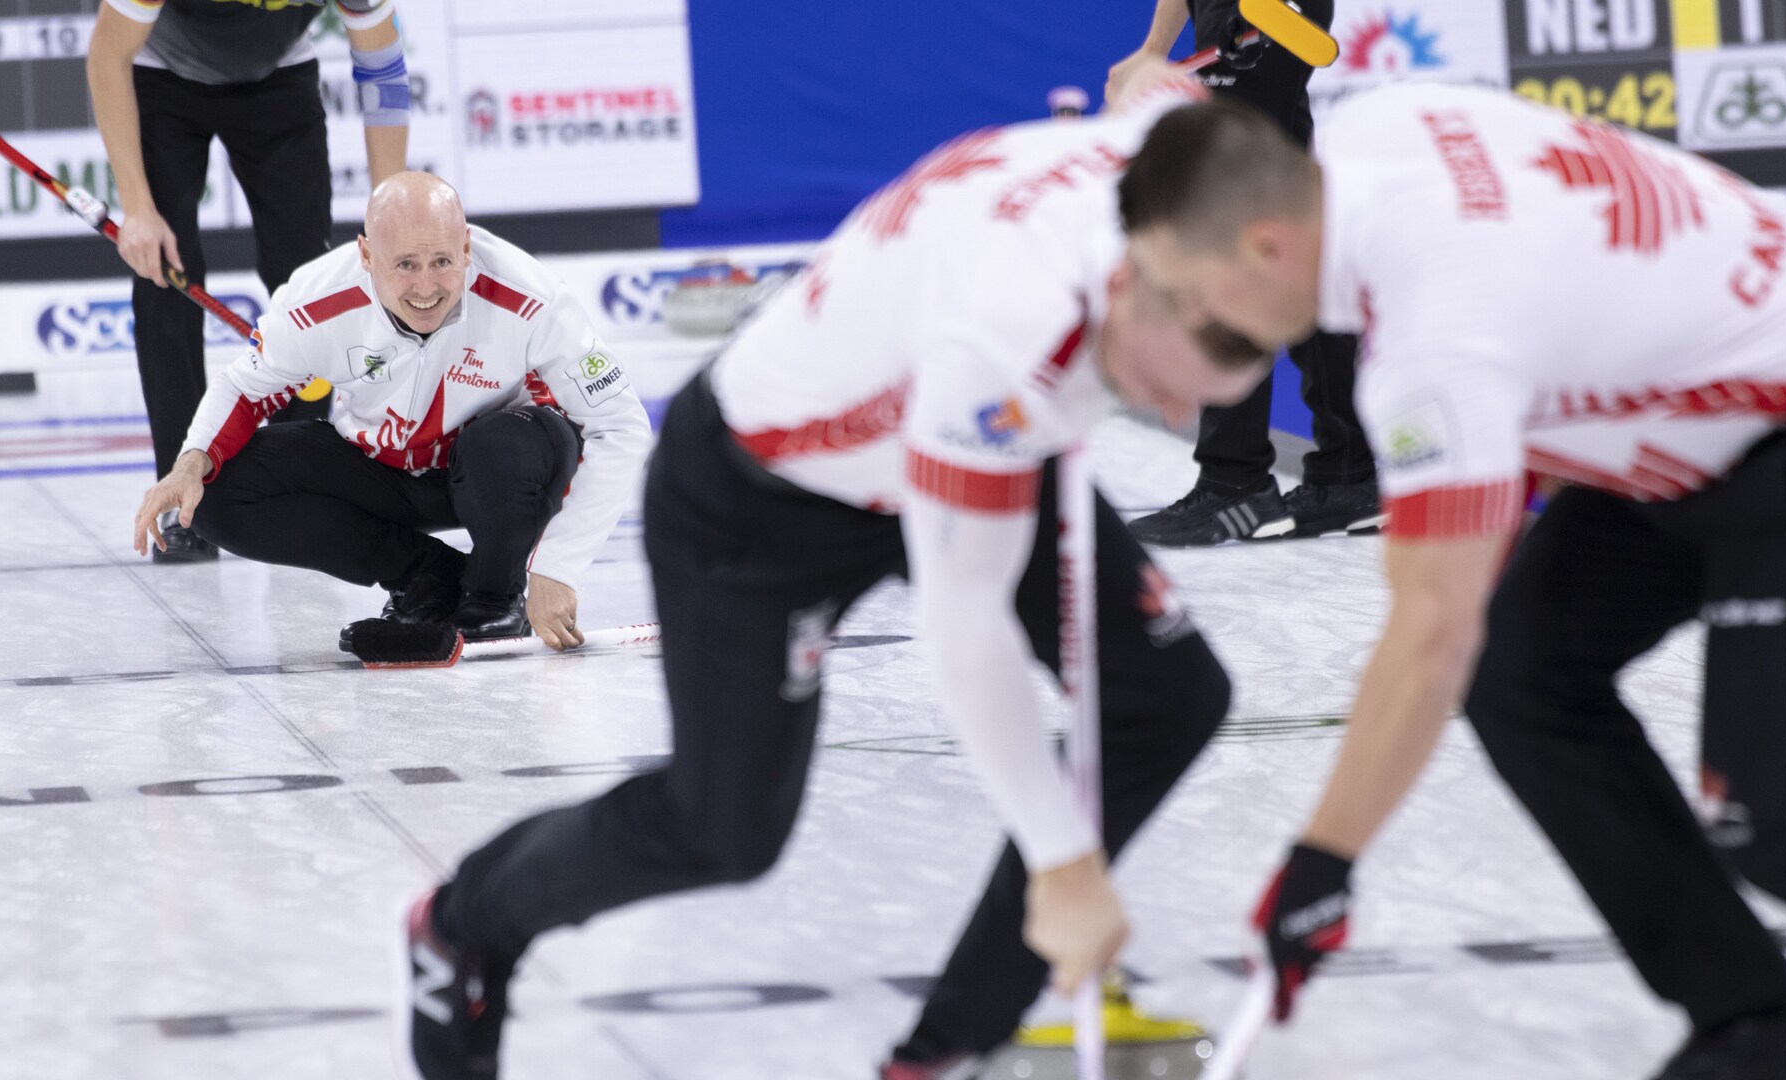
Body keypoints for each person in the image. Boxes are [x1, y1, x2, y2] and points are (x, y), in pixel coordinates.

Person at [396, 79, 1269, 1080]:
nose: (1162, 409)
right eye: (1170, 388)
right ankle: (461, 925)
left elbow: (1156, 105)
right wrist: (1068, 864)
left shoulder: (1173, 168)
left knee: (1168, 690)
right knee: (721, 829)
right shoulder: (1009, 326)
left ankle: (944, 1051)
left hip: (948, 439)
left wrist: (1161, 78)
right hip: (766, 496)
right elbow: (963, 628)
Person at [1120, 77, 1786, 1078]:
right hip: (1684, 409)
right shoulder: (1374, 128)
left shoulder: (1434, 341)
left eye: (1193, 296)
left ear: (1265, 248)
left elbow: (1430, 632)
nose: (1195, 322)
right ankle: (1762, 1027)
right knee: (1523, 675)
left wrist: (1322, 862)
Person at [131, 173, 649, 650]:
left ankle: (494, 592)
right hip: (381, 472)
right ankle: (428, 575)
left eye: (443, 262)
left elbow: (620, 425)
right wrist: (189, 464)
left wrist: (557, 567)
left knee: (502, 446)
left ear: (466, 246)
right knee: (216, 495)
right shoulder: (315, 299)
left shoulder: (532, 297)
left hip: (498, 472)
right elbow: (244, 389)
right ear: (365, 255)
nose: (426, 288)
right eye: (405, 265)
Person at [89, 0, 411, 562]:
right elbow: (108, 54)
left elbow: (381, 64)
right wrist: (137, 207)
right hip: (162, 78)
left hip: (279, 78)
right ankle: (181, 496)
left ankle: (298, 489)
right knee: (165, 278)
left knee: (309, 284)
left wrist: (392, 214)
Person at [1108, 0, 1380, 547]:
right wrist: (1155, 47)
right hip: (1236, 14)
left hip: (1271, 11)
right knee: (1283, 218)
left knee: (1230, 222)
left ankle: (1236, 484)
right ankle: (1350, 475)